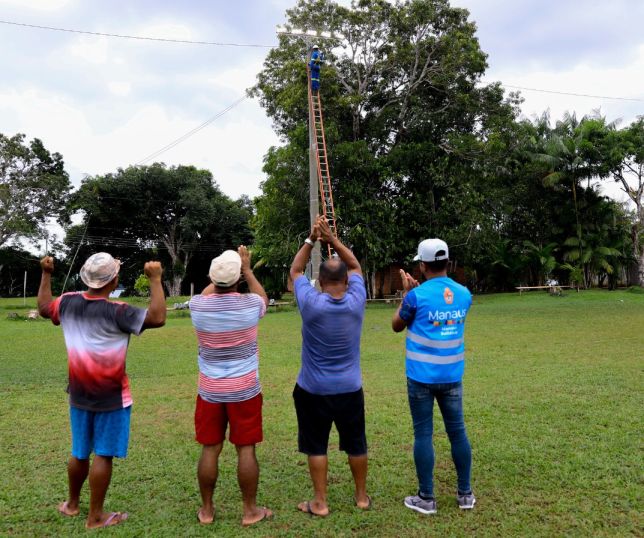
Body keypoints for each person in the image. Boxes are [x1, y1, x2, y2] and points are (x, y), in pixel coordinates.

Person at [37, 252, 166, 529]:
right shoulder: (119, 311)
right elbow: (157, 317)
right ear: (115, 280)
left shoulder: (68, 302)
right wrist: (155, 279)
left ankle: (72, 505)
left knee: (79, 452)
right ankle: (95, 516)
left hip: (78, 395)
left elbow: (45, 308)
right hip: (112, 397)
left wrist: (46, 274)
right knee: (103, 455)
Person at [289, 215, 370, 517]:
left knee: (316, 446)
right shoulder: (356, 301)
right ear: (347, 282)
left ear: (320, 282)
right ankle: (361, 497)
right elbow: (356, 266)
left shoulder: (311, 303)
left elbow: (296, 270)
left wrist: (312, 239)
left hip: (313, 389)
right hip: (350, 388)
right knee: (356, 443)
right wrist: (332, 239)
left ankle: (320, 502)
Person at [188, 246, 272, 527]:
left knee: (210, 449)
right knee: (245, 449)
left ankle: (208, 510)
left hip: (210, 391)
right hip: (245, 390)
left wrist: (222, 275)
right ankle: (250, 511)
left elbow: (206, 293)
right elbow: (264, 297)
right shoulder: (250, 305)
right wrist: (246, 269)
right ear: (238, 279)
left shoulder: (198, 306)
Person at [391, 238, 475, 514]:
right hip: (452, 376)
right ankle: (465, 495)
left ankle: (426, 498)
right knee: (457, 432)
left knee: (423, 434)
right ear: (447, 263)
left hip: (421, 378)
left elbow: (396, 325)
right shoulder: (464, 294)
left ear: (423, 265)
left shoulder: (416, 297)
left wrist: (407, 294)